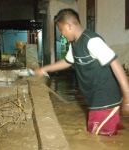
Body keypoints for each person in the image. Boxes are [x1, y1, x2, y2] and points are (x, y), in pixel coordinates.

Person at [35, 8, 129, 136]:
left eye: (61, 29)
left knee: (97, 136)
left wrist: (127, 96)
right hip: (95, 98)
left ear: (68, 26)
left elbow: (115, 63)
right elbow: (67, 62)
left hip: (105, 98)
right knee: (103, 134)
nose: (61, 34)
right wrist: (44, 69)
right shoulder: (75, 45)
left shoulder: (91, 40)